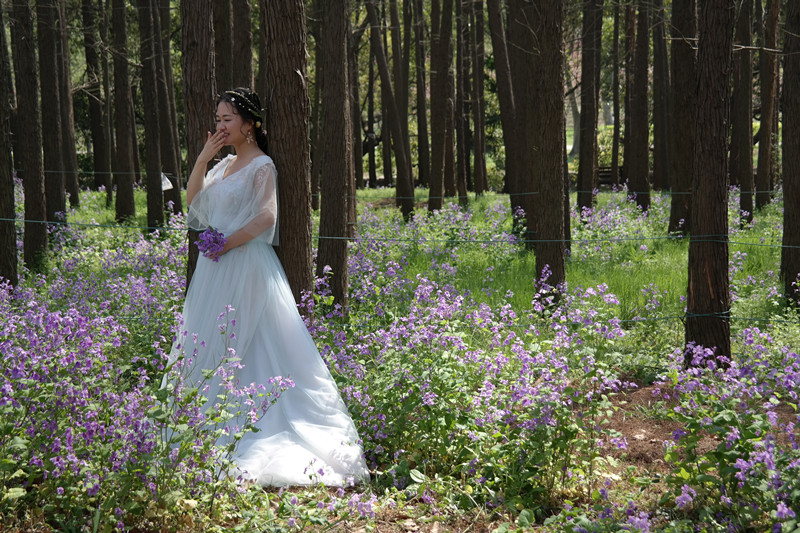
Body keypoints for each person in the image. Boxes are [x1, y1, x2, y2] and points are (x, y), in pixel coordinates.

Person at [171, 87, 369, 487]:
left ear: (249, 124)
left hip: (246, 262)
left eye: (228, 119)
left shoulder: (262, 166)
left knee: (255, 338)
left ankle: (260, 423)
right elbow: (194, 205)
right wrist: (202, 159)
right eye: (217, 119)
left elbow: (266, 218)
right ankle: (206, 422)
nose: (220, 126)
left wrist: (227, 242)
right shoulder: (221, 165)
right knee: (211, 340)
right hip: (215, 270)